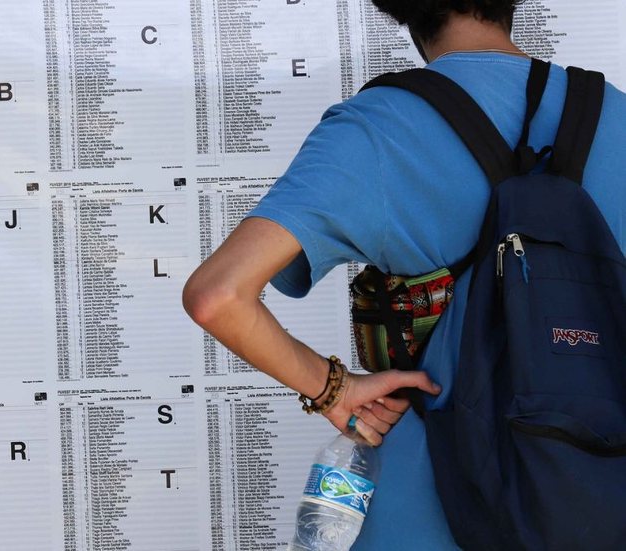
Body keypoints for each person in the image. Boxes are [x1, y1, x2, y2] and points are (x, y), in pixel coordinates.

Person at [182, 0, 626, 548]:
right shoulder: (619, 117)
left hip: (431, 504)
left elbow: (219, 296)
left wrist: (333, 391)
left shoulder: (378, 125)